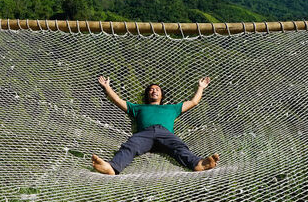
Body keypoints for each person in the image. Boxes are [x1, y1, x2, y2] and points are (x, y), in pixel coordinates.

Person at [91, 75, 219, 175]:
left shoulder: (172, 108)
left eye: (157, 89)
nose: (154, 91)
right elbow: (117, 100)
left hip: (165, 134)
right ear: (147, 94)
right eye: (151, 90)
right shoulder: (138, 108)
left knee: (179, 147)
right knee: (130, 146)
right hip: (144, 135)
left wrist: (201, 87)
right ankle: (112, 168)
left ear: (161, 95)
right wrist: (107, 86)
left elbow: (194, 102)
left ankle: (198, 164)